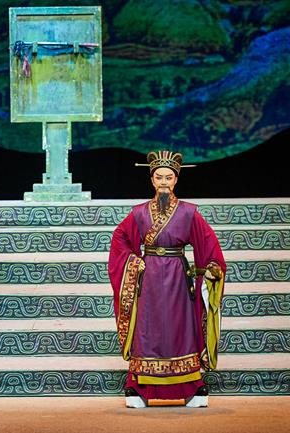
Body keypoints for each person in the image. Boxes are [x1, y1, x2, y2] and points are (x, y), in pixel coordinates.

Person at [108, 150, 226, 408]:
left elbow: (208, 243)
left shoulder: (189, 212)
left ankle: (192, 388)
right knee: (146, 330)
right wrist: (133, 261)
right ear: (152, 180)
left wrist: (212, 266)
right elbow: (120, 239)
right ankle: (138, 388)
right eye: (159, 177)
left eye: (168, 177)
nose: (163, 182)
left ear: (176, 180)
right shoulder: (139, 213)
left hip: (178, 279)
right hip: (148, 277)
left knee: (181, 328)